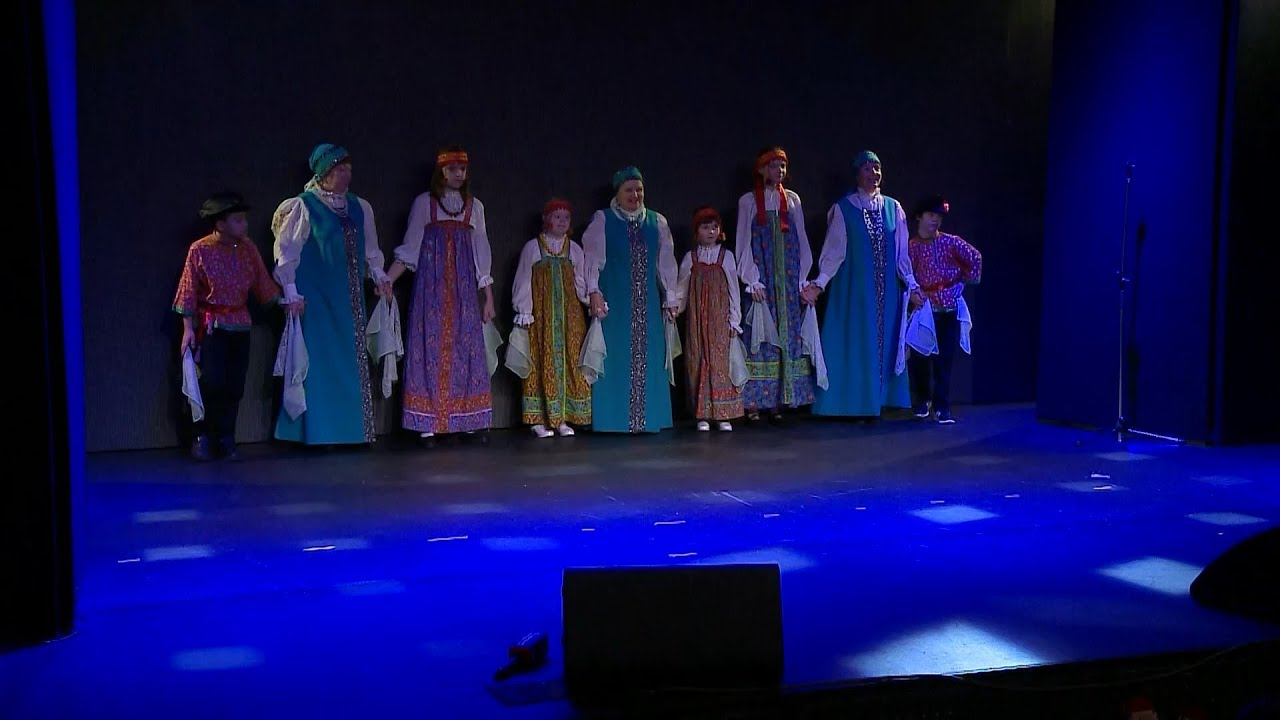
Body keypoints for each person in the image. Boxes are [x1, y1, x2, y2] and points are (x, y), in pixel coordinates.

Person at [270, 143, 391, 445]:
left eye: (349, 169)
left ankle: (351, 432)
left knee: (350, 361)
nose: (346, 175)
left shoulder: (360, 207)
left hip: (350, 301)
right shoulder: (303, 206)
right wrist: (291, 292)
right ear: (324, 173)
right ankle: (318, 433)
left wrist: (380, 276)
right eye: (339, 170)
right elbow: (286, 255)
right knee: (317, 365)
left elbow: (371, 250)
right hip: (316, 300)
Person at [386, 146, 496, 443]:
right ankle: (428, 421)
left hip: (463, 290)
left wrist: (488, 297)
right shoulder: (425, 203)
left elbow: (481, 252)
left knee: (466, 347)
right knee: (429, 347)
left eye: (463, 169)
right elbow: (410, 248)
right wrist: (388, 280)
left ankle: (468, 419)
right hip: (431, 288)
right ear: (441, 172)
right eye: (453, 169)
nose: (459, 174)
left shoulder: (474, 207)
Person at [811, 150, 921, 420]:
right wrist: (820, 282)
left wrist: (911, 284)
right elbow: (834, 251)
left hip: (888, 293)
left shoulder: (893, 209)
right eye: (868, 169)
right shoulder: (844, 208)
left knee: (885, 341)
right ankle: (855, 401)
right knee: (857, 341)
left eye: (877, 168)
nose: (874, 174)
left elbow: (901, 254)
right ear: (857, 174)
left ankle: (882, 398)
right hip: (855, 290)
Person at [173, 192, 282, 460]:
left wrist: (286, 303)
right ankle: (201, 435)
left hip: (240, 324)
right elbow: (188, 290)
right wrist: (188, 328)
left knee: (235, 384)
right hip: (212, 325)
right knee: (212, 382)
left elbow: (263, 285)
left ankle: (226, 436)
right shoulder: (200, 249)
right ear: (221, 224)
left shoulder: (248, 249)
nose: (244, 225)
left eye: (244, 219)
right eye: (238, 220)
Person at [580, 166, 679, 434]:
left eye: (639, 190)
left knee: (650, 356)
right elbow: (592, 259)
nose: (635, 195)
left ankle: (649, 419)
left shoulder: (656, 222)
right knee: (615, 356)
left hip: (647, 303)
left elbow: (665, 262)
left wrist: (670, 296)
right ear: (618, 193)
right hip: (616, 301)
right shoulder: (603, 220)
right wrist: (593, 290)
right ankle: (615, 420)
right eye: (629, 190)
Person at [734, 147, 817, 423]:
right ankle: (755, 401)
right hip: (764, 279)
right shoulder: (748, 201)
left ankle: (782, 398)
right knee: (761, 337)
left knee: (788, 335)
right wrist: (751, 279)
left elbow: (801, 238)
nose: (779, 171)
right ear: (761, 170)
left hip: (788, 279)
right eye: (773, 166)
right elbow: (743, 241)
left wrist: (802, 277)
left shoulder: (792, 200)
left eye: (782, 166)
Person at [510, 198, 591, 437]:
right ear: (546, 220)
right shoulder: (533, 248)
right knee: (540, 360)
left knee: (570, 360)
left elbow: (581, 282)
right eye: (557, 217)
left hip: (568, 315)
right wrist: (524, 310)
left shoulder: (574, 249)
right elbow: (523, 280)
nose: (562, 221)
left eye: (566, 217)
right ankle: (538, 418)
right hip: (542, 315)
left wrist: (591, 301)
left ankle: (563, 417)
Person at [905, 195, 981, 424]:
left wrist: (962, 282)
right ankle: (922, 400)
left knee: (944, 359)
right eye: (931, 215)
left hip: (948, 308)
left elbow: (975, 258)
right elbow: (905, 274)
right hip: (925, 308)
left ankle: (942, 406)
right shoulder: (912, 247)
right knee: (919, 357)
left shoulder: (950, 242)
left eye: (938, 216)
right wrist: (913, 294)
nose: (935, 220)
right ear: (920, 217)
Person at [677, 206, 744, 431]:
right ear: (697, 231)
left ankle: (723, 414)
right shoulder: (691, 258)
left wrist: (734, 320)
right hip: (697, 319)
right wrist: (675, 309)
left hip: (719, 319)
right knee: (697, 360)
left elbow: (733, 289)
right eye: (706, 227)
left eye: (715, 227)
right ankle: (702, 414)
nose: (711, 231)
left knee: (719, 362)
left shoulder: (726, 257)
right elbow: (682, 288)